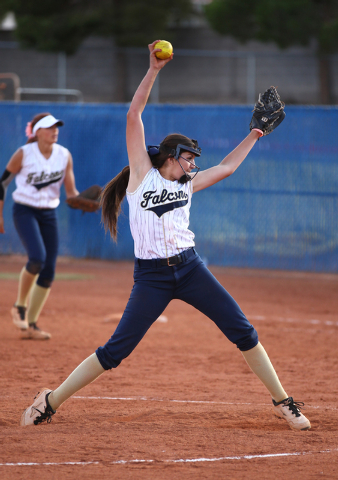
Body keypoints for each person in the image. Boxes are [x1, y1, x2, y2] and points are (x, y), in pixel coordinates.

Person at [20, 41, 311, 431]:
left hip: (191, 269)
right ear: (171, 155)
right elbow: (134, 113)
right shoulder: (142, 174)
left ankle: (283, 401)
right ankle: (50, 400)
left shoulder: (188, 184)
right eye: (188, 157)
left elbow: (225, 168)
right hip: (152, 277)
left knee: (243, 331)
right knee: (115, 351)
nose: (193, 163)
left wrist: (256, 133)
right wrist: (154, 70)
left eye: (194, 160)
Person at [0, 113, 79, 340]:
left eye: (57, 127)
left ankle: (31, 325)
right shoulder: (24, 154)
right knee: (37, 258)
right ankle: (19, 306)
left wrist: (83, 201)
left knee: (49, 270)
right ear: (37, 132)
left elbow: (71, 192)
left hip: (49, 214)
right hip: (25, 210)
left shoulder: (64, 155)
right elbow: (2, 183)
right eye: (49, 127)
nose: (55, 130)